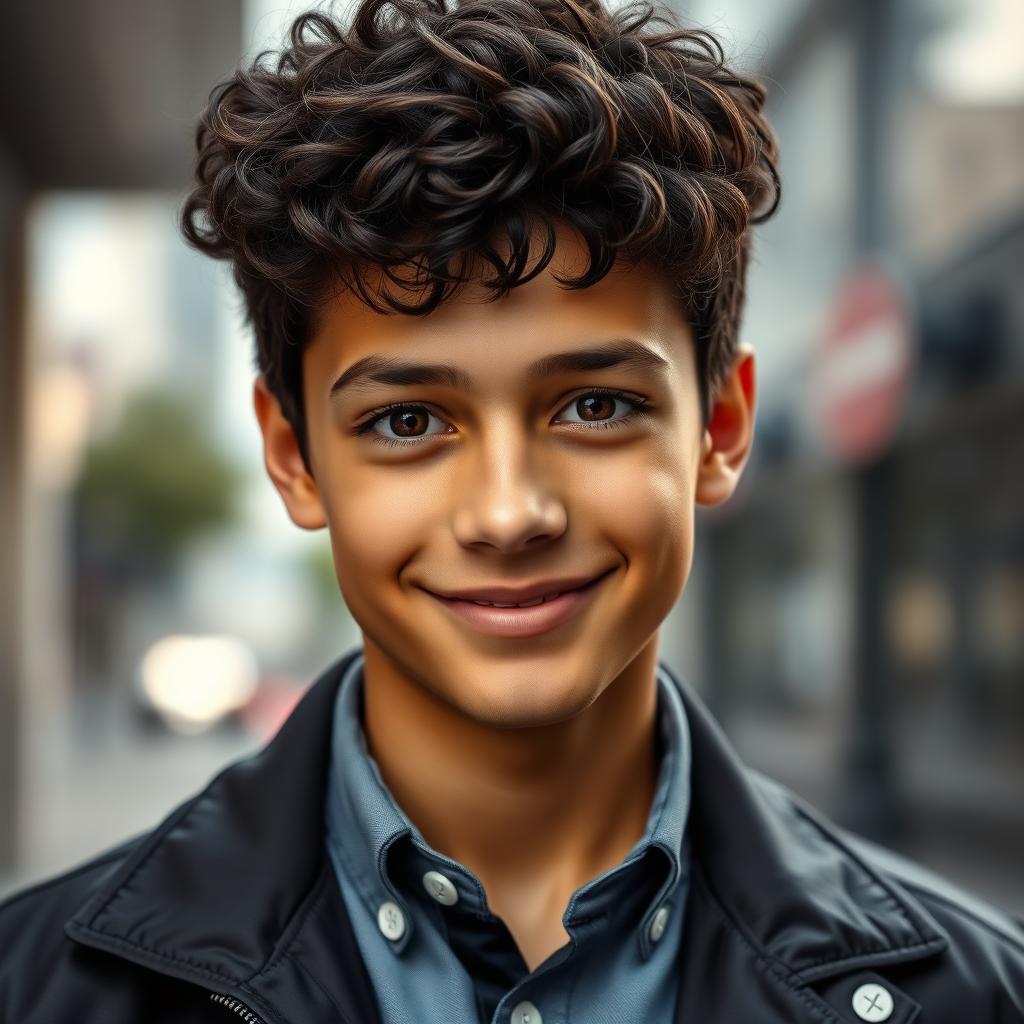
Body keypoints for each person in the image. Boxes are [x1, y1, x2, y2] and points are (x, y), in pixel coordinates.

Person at [2, 0, 1022, 1019]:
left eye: (594, 405)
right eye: (407, 421)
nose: (507, 512)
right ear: (293, 456)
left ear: (718, 427)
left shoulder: (979, 996)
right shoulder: (34, 987)